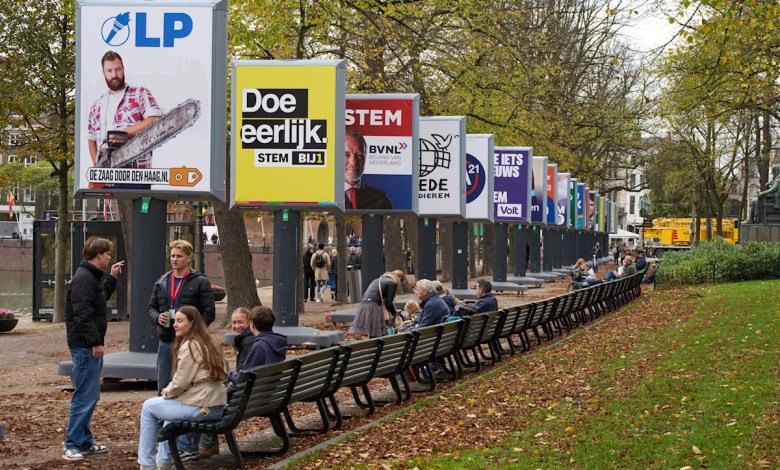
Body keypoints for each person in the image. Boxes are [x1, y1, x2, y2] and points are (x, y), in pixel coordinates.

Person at [137, 306, 227, 470]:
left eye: (180, 321)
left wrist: (167, 391)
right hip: (215, 406)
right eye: (175, 321)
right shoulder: (210, 343)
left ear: (191, 323)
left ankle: (146, 464)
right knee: (167, 410)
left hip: (201, 407)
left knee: (148, 407)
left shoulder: (191, 345)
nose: (175, 325)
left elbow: (180, 382)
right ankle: (163, 461)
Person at [63, 237, 124, 461]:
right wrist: (95, 342)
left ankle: (85, 441)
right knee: (84, 395)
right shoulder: (83, 280)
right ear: (98, 254)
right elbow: (83, 315)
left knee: (91, 395)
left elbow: (98, 300)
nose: (109, 257)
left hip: (87, 345)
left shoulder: (91, 278)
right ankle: (71, 444)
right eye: (107, 253)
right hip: (85, 346)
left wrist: (112, 278)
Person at [148, 240, 215, 394]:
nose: (174, 259)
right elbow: (151, 307)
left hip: (190, 342)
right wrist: (157, 317)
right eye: (172, 256)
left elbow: (209, 312)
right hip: (166, 339)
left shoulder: (200, 282)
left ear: (188, 258)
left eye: (179, 256)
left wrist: (195, 331)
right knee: (163, 383)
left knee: (186, 383)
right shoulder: (162, 281)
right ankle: (161, 415)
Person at [87, 51, 162, 170]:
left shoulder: (140, 93)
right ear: (104, 73)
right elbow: (91, 138)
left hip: (136, 172)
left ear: (123, 69)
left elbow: (155, 119)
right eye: (109, 71)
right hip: (106, 174)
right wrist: (97, 165)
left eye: (118, 69)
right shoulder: (97, 106)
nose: (114, 75)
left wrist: (125, 132)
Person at [198, 307, 255, 459]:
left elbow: (243, 376)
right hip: (258, 396)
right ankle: (210, 444)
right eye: (234, 322)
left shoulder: (248, 341)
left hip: (246, 396)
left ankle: (204, 445)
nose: (236, 326)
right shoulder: (247, 338)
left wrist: (226, 377)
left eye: (240, 322)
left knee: (209, 396)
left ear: (250, 323)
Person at [232, 306, 287, 381]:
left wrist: (228, 374)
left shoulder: (259, 346)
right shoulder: (276, 342)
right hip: (271, 387)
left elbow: (242, 378)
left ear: (252, 324)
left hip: (257, 390)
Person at [344, 130, 392, 210]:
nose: (353, 161)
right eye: (346, 155)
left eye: (359, 155)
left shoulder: (380, 199)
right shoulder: (323, 197)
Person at [349, 270, 406, 338]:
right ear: (399, 278)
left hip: (364, 304)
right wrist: (394, 313)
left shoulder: (378, 279)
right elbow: (389, 304)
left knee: (372, 332)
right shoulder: (393, 283)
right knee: (377, 334)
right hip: (374, 306)